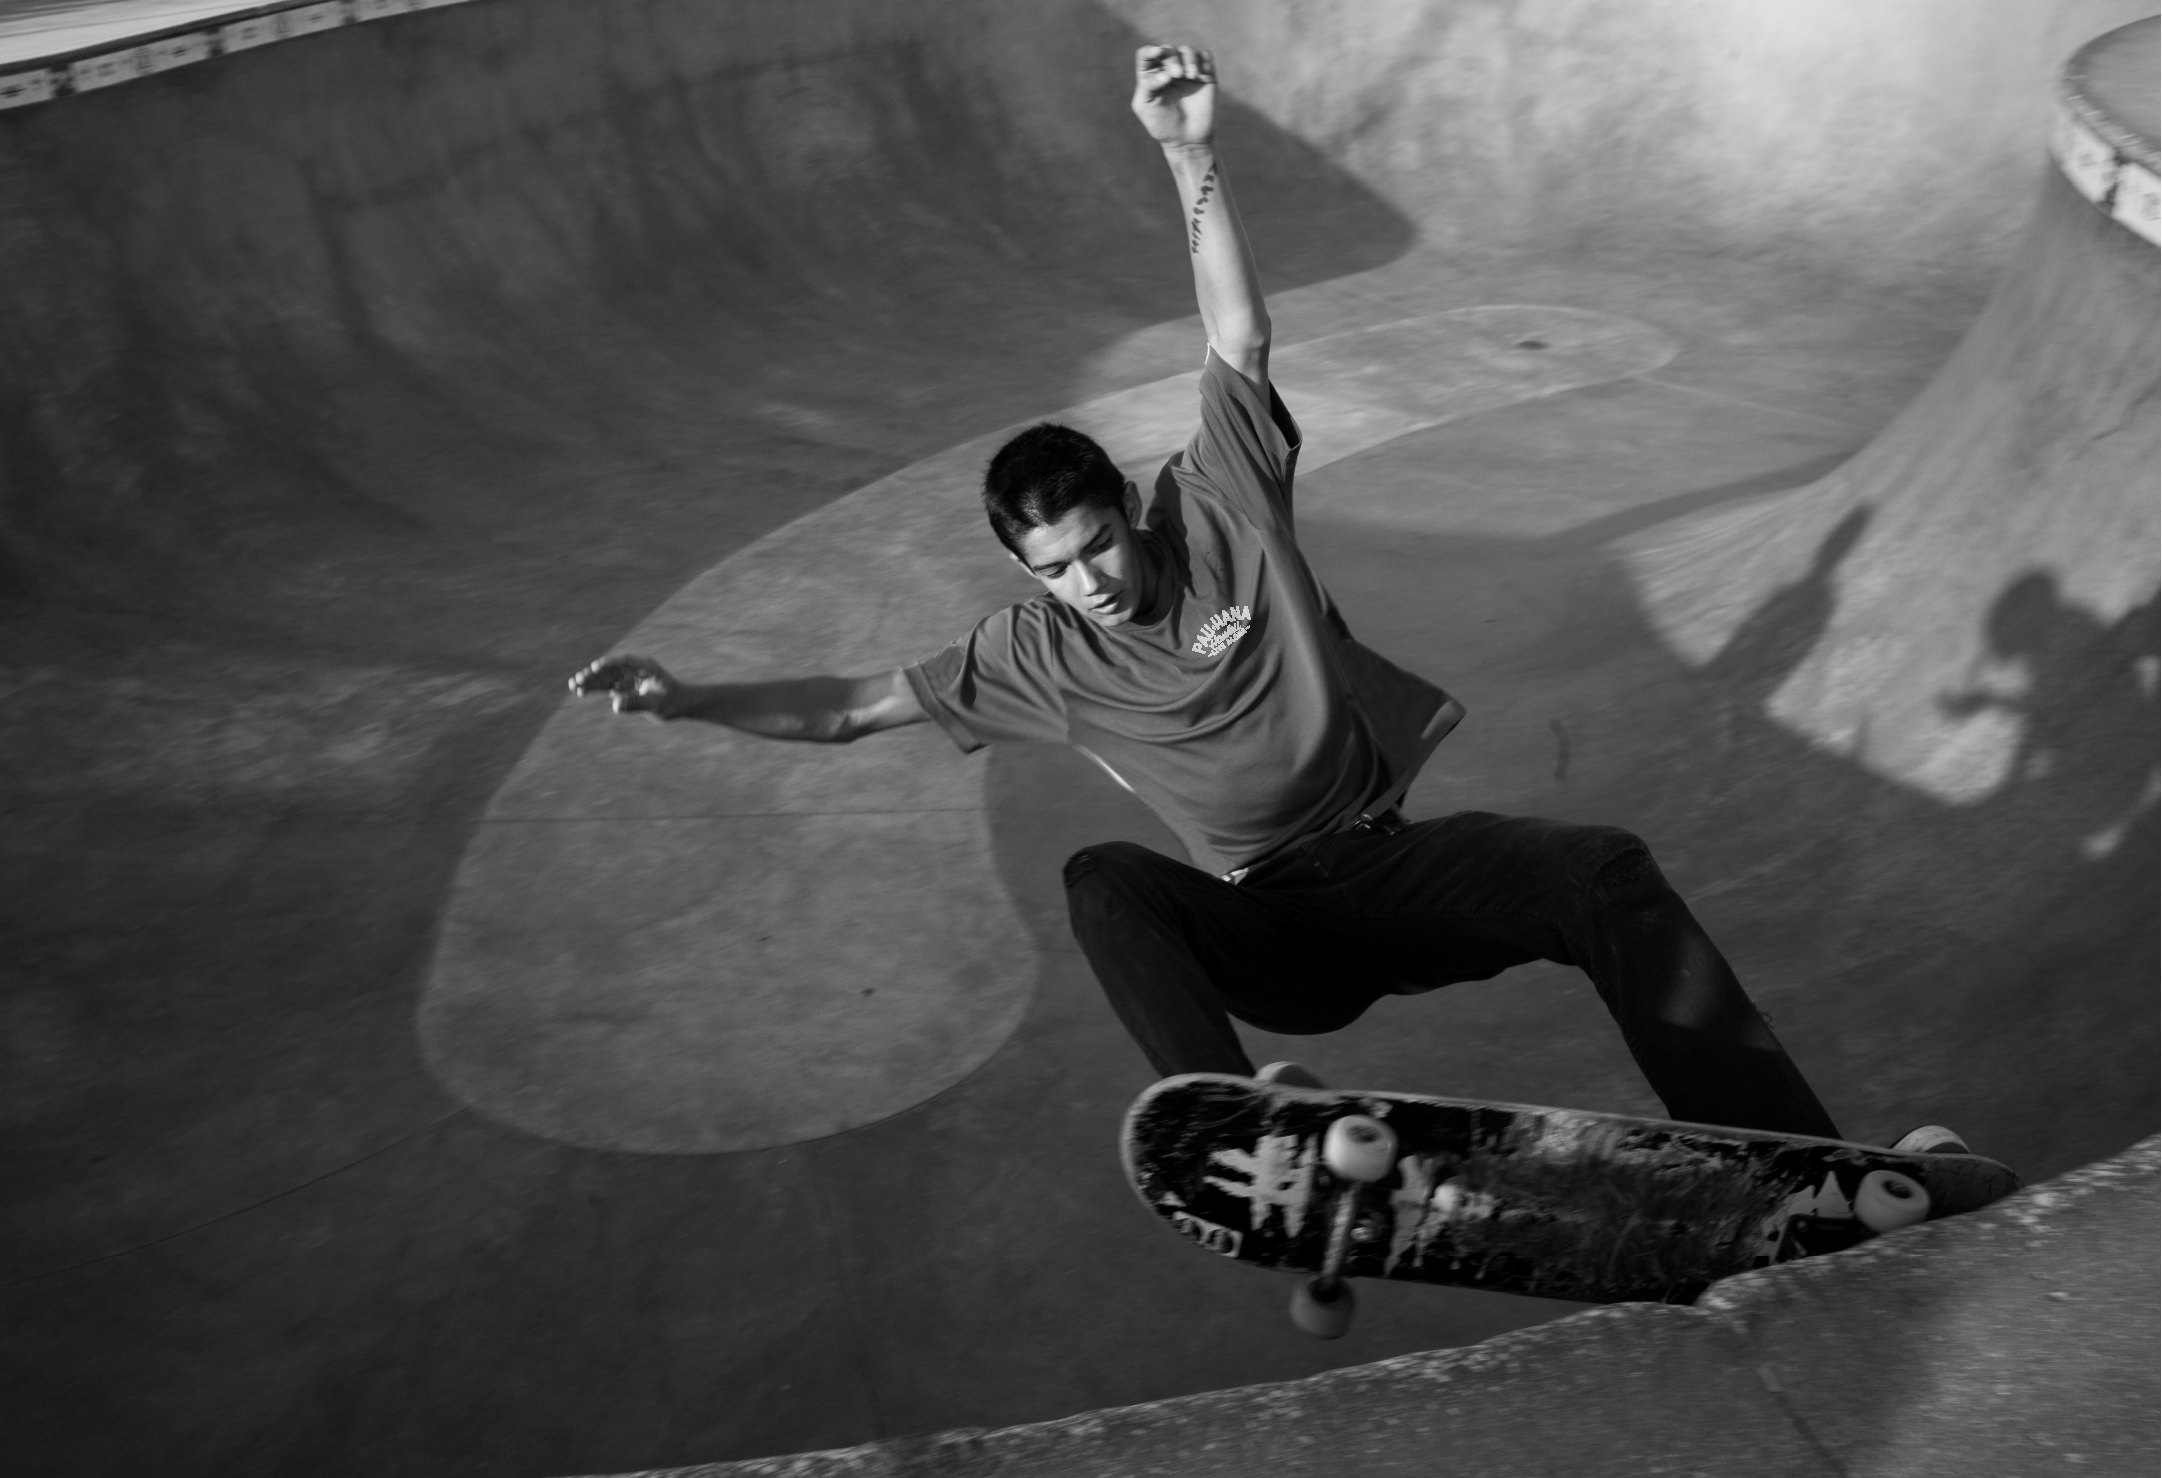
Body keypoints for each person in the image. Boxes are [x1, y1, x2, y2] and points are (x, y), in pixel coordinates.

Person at [572, 43, 1854, 1143]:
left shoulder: (1221, 499)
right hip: (1263, 929)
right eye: (1055, 570)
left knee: (1603, 872)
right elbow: (849, 710)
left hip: (1389, 869)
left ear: (1132, 510)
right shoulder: (1033, 649)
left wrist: (1188, 158)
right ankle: (1234, 1131)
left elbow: (1234, 338)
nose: (1088, 583)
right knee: (1103, 877)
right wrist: (686, 701)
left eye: (1096, 548)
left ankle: (1798, 1165)